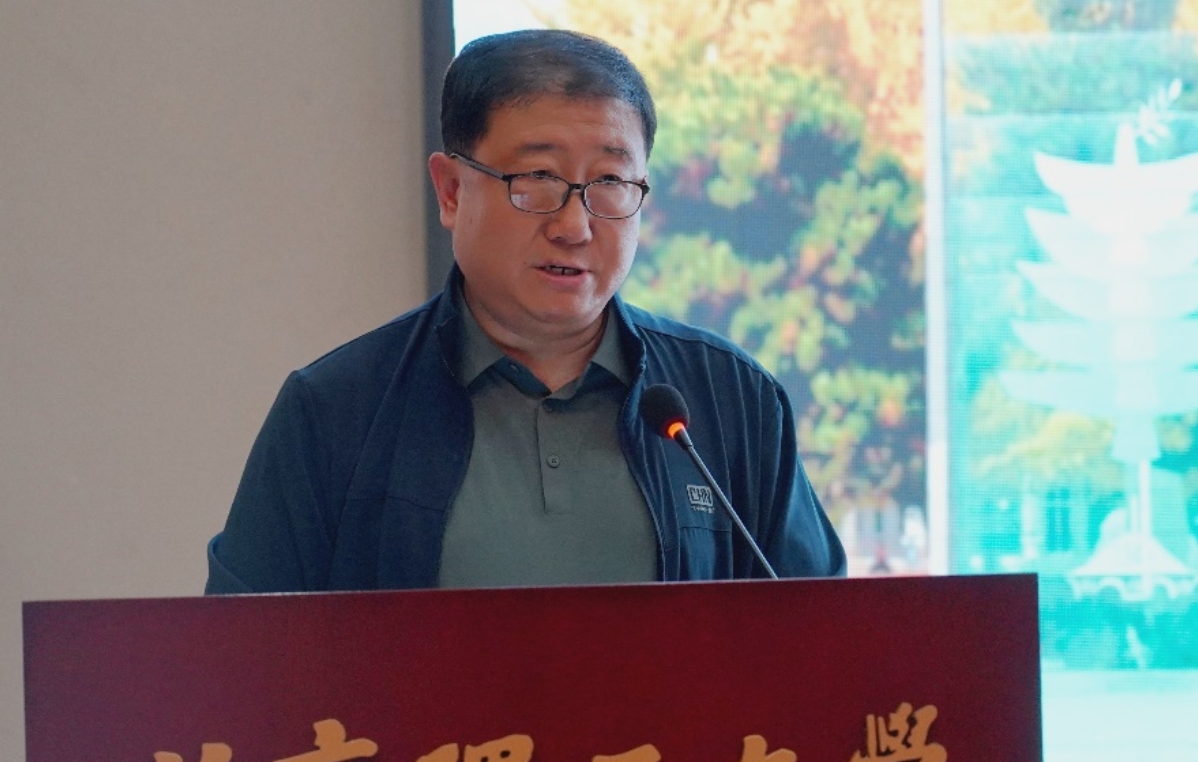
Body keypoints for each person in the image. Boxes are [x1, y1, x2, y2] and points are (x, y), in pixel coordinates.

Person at [205, 29, 845, 595]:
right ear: (451, 191)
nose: (575, 226)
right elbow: (243, 660)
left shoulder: (730, 401)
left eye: (610, 184)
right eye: (537, 179)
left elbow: (825, 642)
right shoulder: (336, 410)